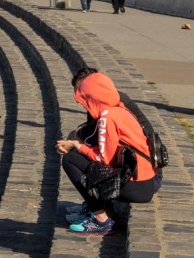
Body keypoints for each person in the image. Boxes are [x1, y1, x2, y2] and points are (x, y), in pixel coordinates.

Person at [56, 70, 161, 235]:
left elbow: (103, 159)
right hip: (145, 179)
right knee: (80, 157)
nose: (81, 103)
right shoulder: (117, 108)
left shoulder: (108, 116)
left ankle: (102, 219)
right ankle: (97, 208)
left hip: (139, 186)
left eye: (84, 98)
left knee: (70, 160)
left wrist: (77, 145)